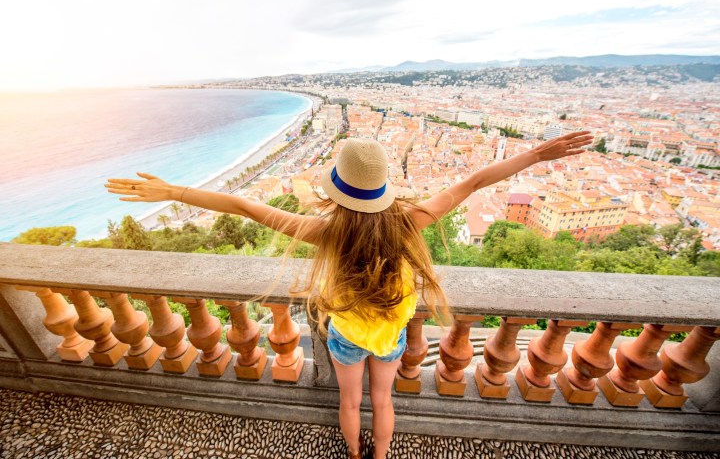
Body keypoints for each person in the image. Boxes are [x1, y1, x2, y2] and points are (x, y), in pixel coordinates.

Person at [106, 131, 593, 458]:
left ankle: (354, 453)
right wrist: (535, 155)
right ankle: (378, 456)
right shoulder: (410, 223)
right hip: (389, 339)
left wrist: (174, 193)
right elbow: (473, 182)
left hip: (344, 337)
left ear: (337, 190)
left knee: (347, 401)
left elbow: (242, 206)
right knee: (383, 401)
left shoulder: (325, 233)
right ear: (382, 187)